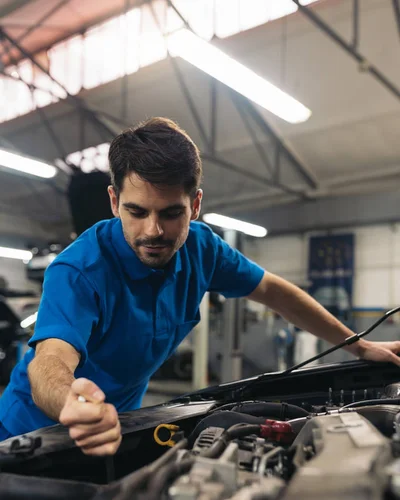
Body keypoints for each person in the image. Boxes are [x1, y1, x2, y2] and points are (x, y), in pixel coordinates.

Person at [0, 117, 399, 454]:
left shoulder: (203, 250)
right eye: (136, 212)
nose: (152, 231)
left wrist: (358, 344)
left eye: (171, 213)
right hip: (27, 435)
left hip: (116, 428)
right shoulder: (78, 270)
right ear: (113, 201)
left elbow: (275, 291)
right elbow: (49, 360)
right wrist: (71, 401)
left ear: (195, 204)